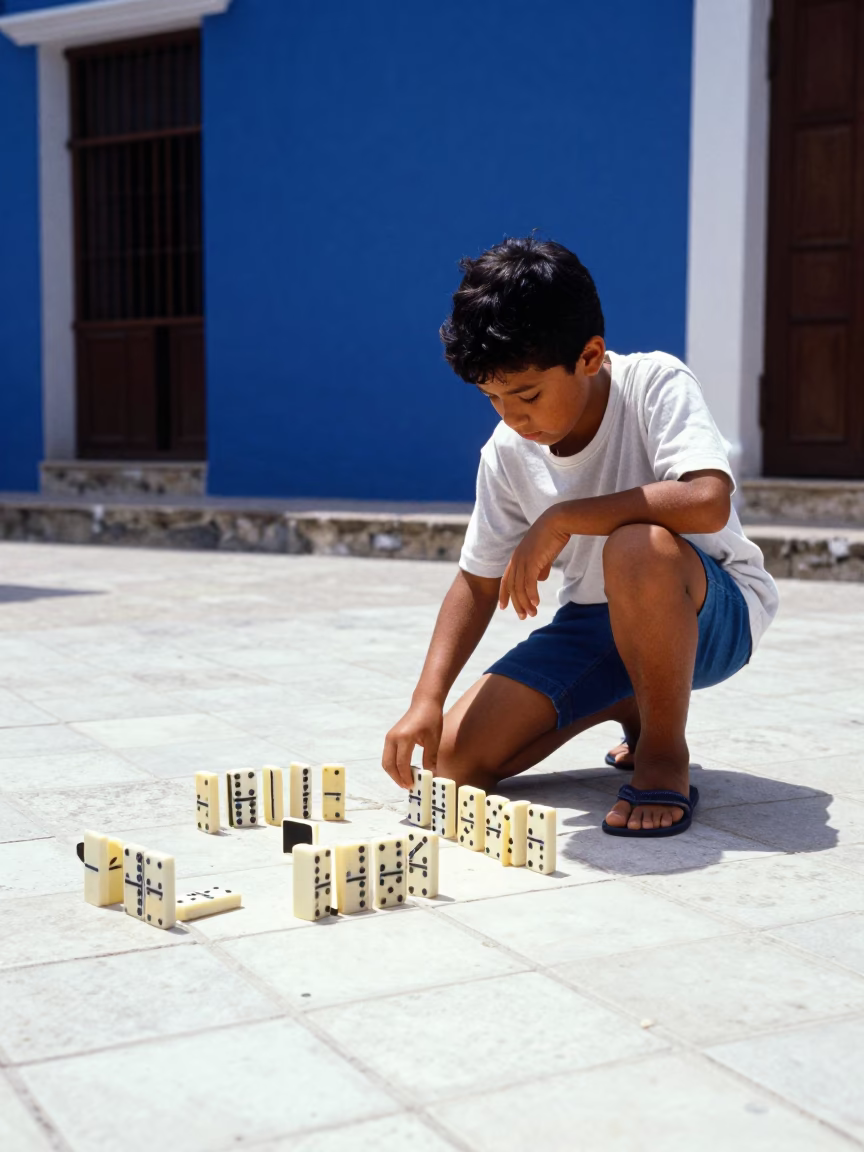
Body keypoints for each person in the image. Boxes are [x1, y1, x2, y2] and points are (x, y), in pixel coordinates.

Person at [381, 236, 778, 838]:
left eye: (527, 395)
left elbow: (707, 499)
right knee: (452, 764)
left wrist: (564, 517)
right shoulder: (507, 452)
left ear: (589, 356)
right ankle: (623, 698)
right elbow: (476, 582)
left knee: (637, 544)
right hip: (595, 624)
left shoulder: (654, 382)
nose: (512, 417)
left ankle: (663, 752)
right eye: (492, 398)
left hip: (710, 616)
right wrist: (426, 700)